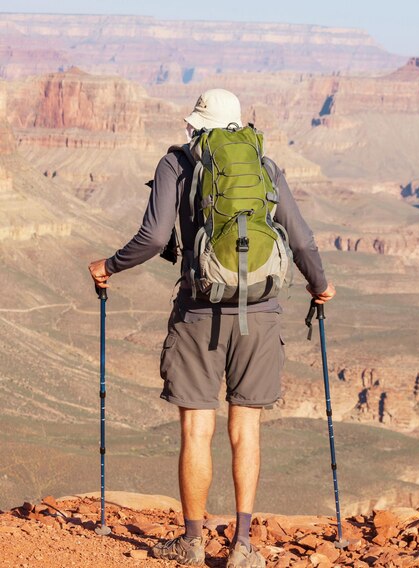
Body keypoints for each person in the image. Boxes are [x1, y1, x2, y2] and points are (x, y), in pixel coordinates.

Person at [89, 88, 335, 567]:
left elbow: (154, 237)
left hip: (199, 311)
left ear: (196, 124)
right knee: (246, 430)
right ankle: (243, 546)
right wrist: (320, 285)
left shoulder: (176, 164)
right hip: (260, 313)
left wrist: (109, 266)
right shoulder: (265, 166)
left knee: (197, 431)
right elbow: (301, 239)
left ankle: (193, 542)